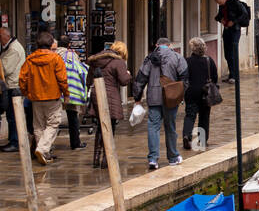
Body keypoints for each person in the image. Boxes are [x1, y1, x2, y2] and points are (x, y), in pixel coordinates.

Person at [132, 36, 188, 170]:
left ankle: (153, 159)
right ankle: (173, 157)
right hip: (171, 98)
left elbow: (140, 80)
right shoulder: (178, 58)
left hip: (153, 97)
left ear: (157, 45)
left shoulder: (149, 58)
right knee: (170, 127)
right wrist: (179, 95)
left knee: (153, 127)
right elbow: (185, 79)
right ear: (169, 46)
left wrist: (137, 99)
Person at [18, 32, 67, 166]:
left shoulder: (30, 59)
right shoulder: (56, 59)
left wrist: (26, 92)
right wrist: (66, 94)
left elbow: (22, 78)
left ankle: (43, 152)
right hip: (52, 96)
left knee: (38, 126)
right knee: (53, 124)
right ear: (51, 44)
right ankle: (43, 149)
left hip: (36, 97)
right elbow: (62, 79)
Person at [87, 41, 131, 169]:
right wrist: (128, 74)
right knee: (110, 128)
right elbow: (124, 81)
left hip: (96, 95)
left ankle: (96, 158)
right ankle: (106, 160)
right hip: (111, 95)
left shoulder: (95, 61)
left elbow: (88, 80)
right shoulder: (119, 62)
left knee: (101, 127)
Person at [182, 37, 219, 152]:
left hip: (191, 93)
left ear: (193, 49)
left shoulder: (187, 61)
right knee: (204, 116)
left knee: (190, 115)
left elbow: (184, 77)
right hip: (205, 93)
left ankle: (187, 136)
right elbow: (215, 77)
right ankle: (202, 140)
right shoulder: (209, 61)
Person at [55, 36, 89, 150]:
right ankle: (75, 142)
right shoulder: (71, 55)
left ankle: (46, 144)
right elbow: (79, 69)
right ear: (69, 44)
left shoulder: (53, 54)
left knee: (51, 117)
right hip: (70, 89)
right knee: (72, 115)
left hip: (55, 89)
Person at [0, 25, 26, 153]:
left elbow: (5, 69)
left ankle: (15, 142)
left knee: (13, 115)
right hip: (12, 85)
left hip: (14, 86)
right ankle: (14, 140)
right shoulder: (9, 47)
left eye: (0, 36)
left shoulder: (13, 49)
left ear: (6, 36)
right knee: (12, 114)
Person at [214, 0, 249, 82]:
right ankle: (231, 75)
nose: (219, 5)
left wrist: (234, 22)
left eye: (219, 2)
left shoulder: (234, 2)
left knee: (233, 52)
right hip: (226, 30)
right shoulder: (222, 6)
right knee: (227, 54)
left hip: (235, 30)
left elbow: (244, 14)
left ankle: (234, 76)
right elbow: (217, 16)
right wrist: (220, 19)